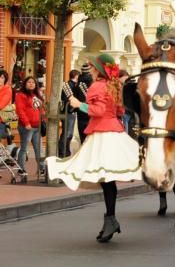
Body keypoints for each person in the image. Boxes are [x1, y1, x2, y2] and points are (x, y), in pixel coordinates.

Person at [46, 54, 142, 243]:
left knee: (105, 178)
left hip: (103, 134)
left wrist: (78, 104)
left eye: (92, 66)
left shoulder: (97, 86)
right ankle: (110, 219)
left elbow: (97, 111)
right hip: (115, 131)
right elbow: (120, 111)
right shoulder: (114, 85)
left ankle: (110, 220)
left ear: (99, 69)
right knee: (108, 179)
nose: (89, 68)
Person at [14, 76, 44, 182]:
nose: (31, 84)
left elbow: (42, 109)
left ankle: (42, 168)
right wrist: (26, 123)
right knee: (24, 148)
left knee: (38, 149)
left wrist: (43, 119)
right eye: (29, 82)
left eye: (33, 82)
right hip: (26, 127)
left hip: (37, 126)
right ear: (25, 84)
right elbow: (20, 110)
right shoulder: (20, 95)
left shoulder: (37, 95)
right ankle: (21, 169)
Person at [59, 70, 81, 158]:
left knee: (68, 133)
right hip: (68, 111)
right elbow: (68, 99)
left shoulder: (71, 85)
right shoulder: (69, 85)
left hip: (69, 111)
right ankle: (63, 151)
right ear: (76, 76)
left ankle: (65, 151)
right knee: (67, 133)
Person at [76, 63, 93, 143]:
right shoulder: (92, 81)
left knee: (82, 132)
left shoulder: (78, 82)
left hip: (80, 109)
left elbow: (76, 95)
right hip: (91, 109)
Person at [0, 70, 14, 146]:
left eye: (2, 77)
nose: (0, 79)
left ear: (5, 79)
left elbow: (1, 105)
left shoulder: (7, 90)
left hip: (1, 120)